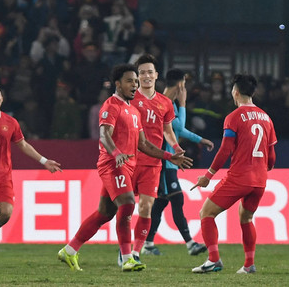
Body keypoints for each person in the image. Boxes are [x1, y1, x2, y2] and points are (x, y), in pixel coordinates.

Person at [57, 64, 193, 272]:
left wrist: (169, 157)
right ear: (118, 84)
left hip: (128, 165)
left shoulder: (133, 111)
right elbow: (104, 134)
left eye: (135, 82)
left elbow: (144, 145)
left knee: (104, 213)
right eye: (130, 81)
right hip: (112, 164)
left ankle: (70, 250)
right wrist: (116, 153)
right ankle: (128, 257)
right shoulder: (111, 105)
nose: (134, 85)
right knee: (128, 203)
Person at [0, 82, 62, 266]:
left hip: (3, 176)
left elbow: (23, 145)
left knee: (6, 213)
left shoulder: (10, 122)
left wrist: (44, 161)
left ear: (2, 98)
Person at [190, 74, 277, 274]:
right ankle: (249, 265)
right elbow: (272, 157)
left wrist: (208, 176)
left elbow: (225, 150)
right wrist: (263, 168)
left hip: (240, 177)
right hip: (260, 179)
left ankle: (213, 260)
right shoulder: (266, 118)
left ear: (235, 92)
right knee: (246, 218)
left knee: (206, 213)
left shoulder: (234, 117)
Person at [143, 68, 214, 256]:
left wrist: (200, 140)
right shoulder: (164, 103)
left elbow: (176, 130)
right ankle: (190, 244)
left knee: (160, 204)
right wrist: (183, 104)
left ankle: (147, 243)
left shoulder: (166, 103)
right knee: (176, 197)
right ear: (181, 84)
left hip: (169, 160)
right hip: (165, 161)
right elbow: (179, 128)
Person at [123, 54, 181, 265]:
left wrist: (176, 147)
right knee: (124, 208)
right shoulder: (128, 99)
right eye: (142, 73)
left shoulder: (165, 103)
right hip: (128, 161)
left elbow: (167, 130)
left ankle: (136, 253)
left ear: (157, 75)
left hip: (152, 162)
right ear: (137, 77)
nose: (146, 76)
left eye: (150, 72)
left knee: (146, 207)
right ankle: (124, 249)